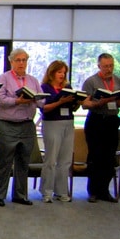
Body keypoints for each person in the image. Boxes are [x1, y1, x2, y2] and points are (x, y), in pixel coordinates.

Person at [0, 48, 44, 207]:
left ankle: (20, 195)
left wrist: (37, 99)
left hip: (27, 124)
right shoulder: (4, 78)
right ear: (11, 62)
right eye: (18, 60)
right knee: (4, 162)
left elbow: (42, 101)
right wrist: (17, 101)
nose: (22, 63)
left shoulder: (33, 80)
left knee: (23, 162)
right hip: (6, 124)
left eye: (24, 60)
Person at [81, 53, 120, 203]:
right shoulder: (91, 81)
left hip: (112, 121)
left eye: (111, 65)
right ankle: (93, 191)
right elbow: (84, 104)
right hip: (96, 120)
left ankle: (104, 190)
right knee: (95, 156)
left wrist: (118, 100)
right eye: (106, 66)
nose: (109, 69)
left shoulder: (118, 81)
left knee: (109, 156)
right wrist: (99, 103)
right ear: (99, 66)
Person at [39, 60, 78, 203]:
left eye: (64, 72)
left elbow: (73, 108)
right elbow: (44, 108)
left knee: (65, 159)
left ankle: (61, 191)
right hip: (52, 123)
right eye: (59, 72)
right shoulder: (45, 87)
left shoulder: (67, 87)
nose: (62, 75)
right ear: (52, 73)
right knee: (51, 159)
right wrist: (60, 102)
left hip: (68, 122)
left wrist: (77, 101)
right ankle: (47, 191)